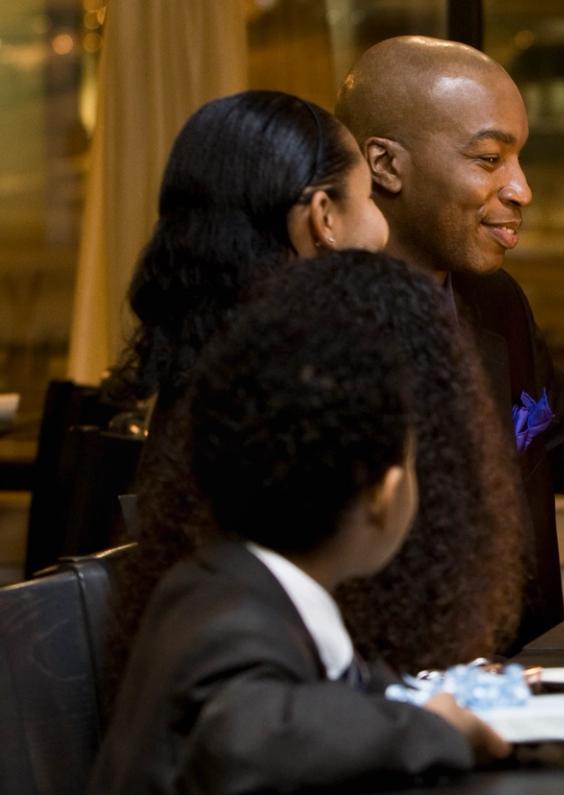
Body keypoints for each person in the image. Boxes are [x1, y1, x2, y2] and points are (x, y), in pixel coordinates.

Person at [61, 253, 509, 795]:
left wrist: (448, 699)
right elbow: (243, 737)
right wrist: (430, 728)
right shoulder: (230, 619)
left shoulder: (219, 583)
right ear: (386, 495)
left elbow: (334, 690)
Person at [336, 36, 564, 643]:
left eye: (519, 159)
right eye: (488, 159)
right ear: (386, 165)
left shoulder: (493, 303)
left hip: (522, 670)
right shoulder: (317, 333)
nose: (521, 189)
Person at [109, 91, 391, 668]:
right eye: (369, 196)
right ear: (323, 217)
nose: (384, 227)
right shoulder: (294, 399)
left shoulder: (202, 377)